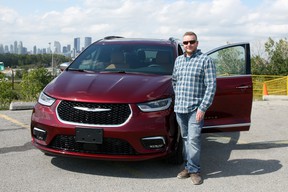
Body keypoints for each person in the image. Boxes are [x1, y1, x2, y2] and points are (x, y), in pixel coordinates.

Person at [172, 31, 216, 185]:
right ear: (183, 45)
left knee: (194, 139)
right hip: (180, 108)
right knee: (185, 139)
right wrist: (178, 97)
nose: (188, 45)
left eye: (191, 42)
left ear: (197, 43)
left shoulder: (205, 60)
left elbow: (211, 86)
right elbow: (174, 81)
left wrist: (203, 108)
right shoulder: (178, 60)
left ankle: (194, 170)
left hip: (195, 109)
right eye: (185, 43)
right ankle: (188, 166)